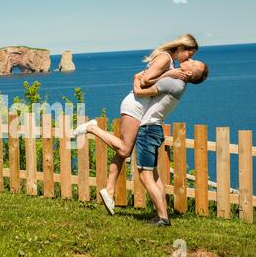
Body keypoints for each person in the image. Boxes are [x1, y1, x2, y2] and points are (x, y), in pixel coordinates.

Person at [71, 34, 200, 214]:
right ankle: (92, 128)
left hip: (141, 105)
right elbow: (145, 80)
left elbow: (146, 80)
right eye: (189, 54)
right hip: (136, 104)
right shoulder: (165, 59)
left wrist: (168, 74)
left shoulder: (169, 62)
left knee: (123, 151)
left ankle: (109, 190)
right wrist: (169, 73)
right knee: (125, 149)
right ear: (181, 48)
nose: (189, 58)